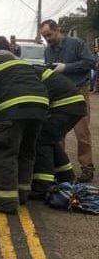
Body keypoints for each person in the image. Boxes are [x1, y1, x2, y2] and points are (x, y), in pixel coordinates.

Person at [0, 50, 48, 213]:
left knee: (6, 152)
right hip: (39, 106)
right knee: (27, 152)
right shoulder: (22, 63)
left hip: (12, 107)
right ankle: (22, 194)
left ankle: (5, 202)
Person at [41, 19, 97, 182]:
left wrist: (66, 67)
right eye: (45, 37)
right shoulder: (48, 50)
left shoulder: (76, 44)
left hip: (78, 91)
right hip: (58, 95)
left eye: (49, 35)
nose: (48, 39)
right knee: (56, 131)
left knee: (82, 132)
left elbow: (90, 62)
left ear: (57, 30)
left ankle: (87, 168)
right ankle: (60, 167)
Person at [31, 65, 87, 195]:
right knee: (52, 140)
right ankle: (66, 176)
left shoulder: (24, 74)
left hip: (64, 106)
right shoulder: (31, 70)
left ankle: (42, 186)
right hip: (75, 105)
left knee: (42, 141)